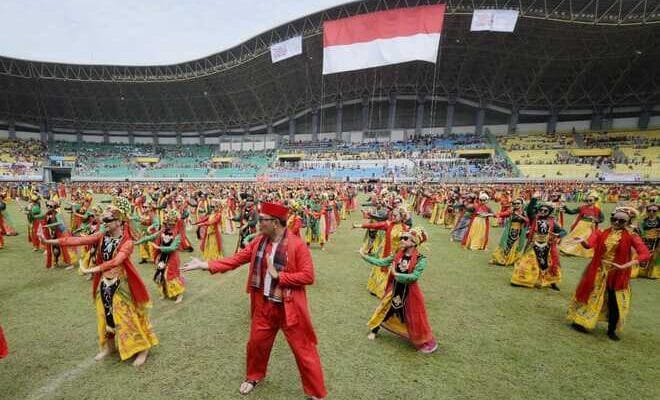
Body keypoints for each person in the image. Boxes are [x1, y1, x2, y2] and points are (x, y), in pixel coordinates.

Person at [182, 202, 326, 399]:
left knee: (304, 350)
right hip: (264, 306)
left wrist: (280, 276)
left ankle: (316, 392)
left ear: (275, 223)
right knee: (256, 344)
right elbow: (236, 259)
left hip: (289, 308)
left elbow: (308, 276)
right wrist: (205, 264)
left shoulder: (297, 245)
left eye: (262, 220)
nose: (258, 223)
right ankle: (253, 377)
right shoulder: (259, 242)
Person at [39, 197, 158, 366]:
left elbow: (117, 261)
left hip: (120, 285)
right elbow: (78, 240)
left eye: (108, 220)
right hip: (104, 283)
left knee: (126, 318)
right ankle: (109, 348)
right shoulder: (102, 235)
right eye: (103, 219)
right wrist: (49, 241)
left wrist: (93, 269)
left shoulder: (128, 242)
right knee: (105, 316)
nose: (104, 222)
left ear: (119, 221)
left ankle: (142, 349)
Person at [567, 207, 650, 341]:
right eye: (614, 219)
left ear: (628, 222)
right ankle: (580, 321)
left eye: (621, 221)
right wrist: (582, 241)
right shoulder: (601, 232)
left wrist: (625, 265)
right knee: (590, 295)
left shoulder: (632, 236)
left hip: (616, 273)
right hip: (598, 270)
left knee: (614, 301)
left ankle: (611, 330)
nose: (616, 222)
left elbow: (645, 254)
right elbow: (589, 245)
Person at [359, 227, 438, 354]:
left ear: (414, 242)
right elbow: (382, 262)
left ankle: (420, 339)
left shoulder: (421, 259)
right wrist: (364, 256)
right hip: (394, 289)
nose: (402, 239)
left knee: (412, 316)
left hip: (410, 293)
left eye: (405, 238)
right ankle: (374, 330)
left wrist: (397, 274)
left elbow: (414, 277)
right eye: (402, 237)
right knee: (383, 308)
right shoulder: (398, 253)